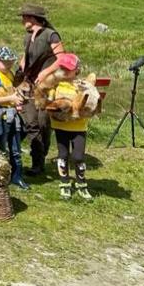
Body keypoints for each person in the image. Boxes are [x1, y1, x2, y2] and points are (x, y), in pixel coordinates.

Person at [18, 4, 66, 176]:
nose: (22, 20)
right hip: (30, 84)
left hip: (47, 86)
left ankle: (42, 155)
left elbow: (62, 58)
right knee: (32, 123)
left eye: (24, 17)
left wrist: (45, 71)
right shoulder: (27, 37)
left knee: (43, 122)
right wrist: (22, 63)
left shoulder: (50, 35)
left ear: (33, 18)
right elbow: (26, 55)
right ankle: (37, 162)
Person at [0, 46, 29, 190]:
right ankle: (2, 176)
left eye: (10, 62)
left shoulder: (10, 74)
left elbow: (14, 92)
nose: (8, 64)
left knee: (16, 149)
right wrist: (11, 98)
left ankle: (17, 176)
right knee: (1, 149)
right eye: (5, 62)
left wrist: (17, 103)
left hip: (12, 115)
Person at [48, 54, 92, 200]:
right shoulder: (56, 85)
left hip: (79, 127)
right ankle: (64, 183)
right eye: (63, 68)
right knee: (63, 155)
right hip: (61, 126)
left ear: (77, 69)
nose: (66, 72)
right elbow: (48, 103)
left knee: (78, 157)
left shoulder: (82, 84)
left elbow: (91, 103)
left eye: (70, 69)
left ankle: (81, 184)